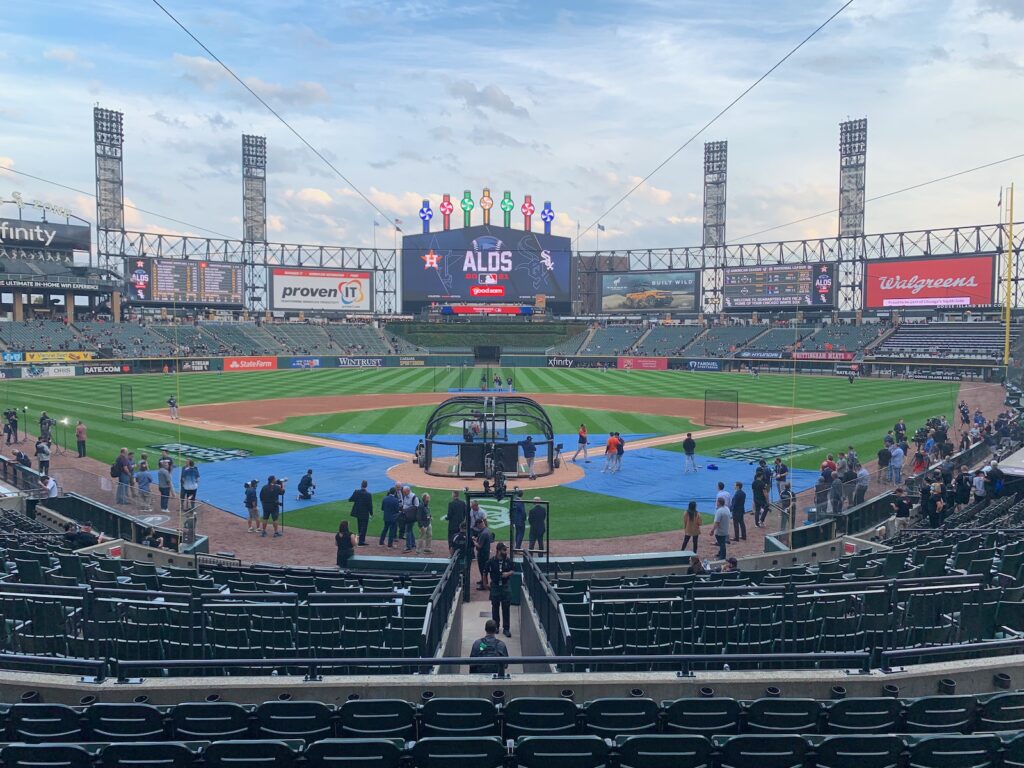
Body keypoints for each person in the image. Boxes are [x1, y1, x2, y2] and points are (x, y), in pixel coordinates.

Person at [486, 542, 514, 637]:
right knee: (495, 607)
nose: (506, 552)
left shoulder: (508, 560)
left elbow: (512, 570)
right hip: (495, 586)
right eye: (504, 550)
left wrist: (507, 574)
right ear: (498, 551)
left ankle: (506, 629)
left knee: (506, 608)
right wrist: (485, 584)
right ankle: (496, 627)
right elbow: (485, 571)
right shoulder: (491, 561)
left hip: (505, 586)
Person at [348, 479, 373, 545]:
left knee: (359, 526)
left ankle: (360, 539)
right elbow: (370, 505)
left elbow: (350, 499)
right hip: (365, 513)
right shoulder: (368, 494)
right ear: (366, 486)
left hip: (358, 512)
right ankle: (361, 541)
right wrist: (371, 513)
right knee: (364, 527)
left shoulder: (356, 492)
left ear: (361, 485)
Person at [474, 517, 494, 590]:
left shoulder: (484, 533)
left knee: (483, 569)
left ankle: (484, 584)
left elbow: (479, 546)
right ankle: (483, 580)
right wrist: (476, 539)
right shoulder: (486, 530)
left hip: (482, 554)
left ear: (479, 524)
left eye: (477, 526)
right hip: (485, 553)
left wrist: (474, 542)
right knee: (483, 569)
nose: (477, 527)